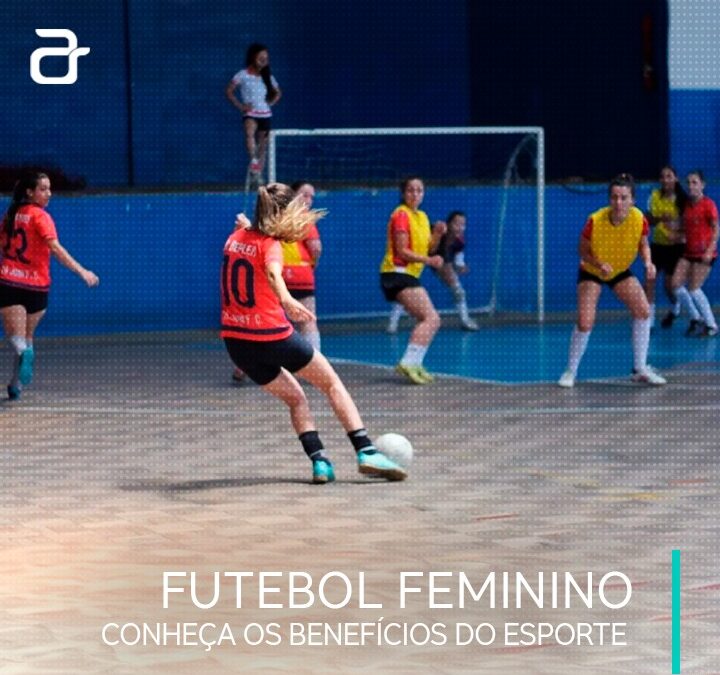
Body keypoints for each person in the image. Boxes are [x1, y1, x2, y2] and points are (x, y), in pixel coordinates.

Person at [221, 182, 406, 484]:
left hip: (237, 344)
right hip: (271, 336)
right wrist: (286, 299)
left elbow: (249, 243)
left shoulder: (233, 238)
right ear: (283, 213)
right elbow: (272, 273)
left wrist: (245, 227)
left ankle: (320, 462)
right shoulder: (271, 245)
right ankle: (366, 451)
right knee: (332, 383)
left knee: (296, 399)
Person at [558, 173, 666, 388]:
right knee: (585, 322)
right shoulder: (595, 220)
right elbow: (582, 251)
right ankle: (570, 371)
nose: (618, 202)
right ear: (609, 199)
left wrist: (648, 263)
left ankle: (640, 369)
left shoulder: (639, 219)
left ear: (632, 200)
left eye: (624, 197)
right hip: (592, 270)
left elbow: (643, 244)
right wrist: (598, 264)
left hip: (619, 270)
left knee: (643, 310)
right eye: (614, 197)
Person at [0, 172, 99, 400]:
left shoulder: (11, 215)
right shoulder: (41, 217)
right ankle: (15, 384)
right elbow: (56, 249)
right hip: (37, 286)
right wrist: (82, 271)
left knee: (15, 337)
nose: (49, 194)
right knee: (27, 336)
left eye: (49, 189)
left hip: (10, 281)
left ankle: (22, 355)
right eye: (43, 189)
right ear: (30, 192)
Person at [380, 177, 445, 384]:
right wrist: (429, 261)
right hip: (397, 274)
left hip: (409, 275)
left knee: (429, 319)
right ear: (403, 193)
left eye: (419, 190)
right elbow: (402, 251)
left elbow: (429, 248)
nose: (415, 194)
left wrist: (437, 234)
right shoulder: (401, 215)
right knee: (431, 318)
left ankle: (415, 363)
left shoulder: (422, 217)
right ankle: (409, 362)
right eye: (410, 190)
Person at [388, 210, 478, 333]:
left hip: (438, 259)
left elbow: (457, 262)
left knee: (458, 291)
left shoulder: (459, 242)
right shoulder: (436, 230)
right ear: (448, 224)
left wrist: (461, 267)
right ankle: (392, 323)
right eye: (456, 223)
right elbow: (427, 247)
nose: (460, 227)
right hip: (418, 253)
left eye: (463, 224)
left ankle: (465, 321)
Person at [670, 170, 719, 337]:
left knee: (693, 289)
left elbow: (716, 229)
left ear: (702, 185)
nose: (691, 186)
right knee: (675, 284)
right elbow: (686, 228)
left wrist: (710, 250)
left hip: (704, 254)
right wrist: (676, 233)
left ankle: (711, 325)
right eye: (689, 182)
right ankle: (696, 317)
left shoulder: (708, 204)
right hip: (688, 252)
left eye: (695, 182)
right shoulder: (686, 206)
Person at [644, 166, 692, 329]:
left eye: (669, 176)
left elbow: (688, 224)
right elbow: (649, 219)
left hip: (676, 247)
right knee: (649, 281)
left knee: (670, 286)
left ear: (675, 178)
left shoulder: (683, 200)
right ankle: (649, 320)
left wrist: (679, 234)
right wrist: (660, 219)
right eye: (663, 176)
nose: (665, 180)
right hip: (658, 246)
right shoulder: (654, 196)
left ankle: (677, 308)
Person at [225, 43, 281, 182]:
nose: (263, 60)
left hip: (265, 114)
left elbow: (278, 92)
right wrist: (240, 106)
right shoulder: (242, 75)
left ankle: (258, 174)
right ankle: (253, 161)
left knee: (263, 144)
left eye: (266, 58)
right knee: (249, 134)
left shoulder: (268, 77)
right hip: (251, 113)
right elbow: (229, 91)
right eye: (261, 57)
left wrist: (270, 103)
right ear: (253, 57)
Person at [281, 181, 322, 351]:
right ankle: (315, 360)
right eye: (304, 195)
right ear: (292, 195)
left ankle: (274, 359)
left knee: (275, 322)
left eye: (311, 197)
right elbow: (316, 248)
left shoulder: (274, 216)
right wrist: (313, 264)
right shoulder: (304, 217)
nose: (309, 200)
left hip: (278, 276)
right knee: (308, 321)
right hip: (301, 276)